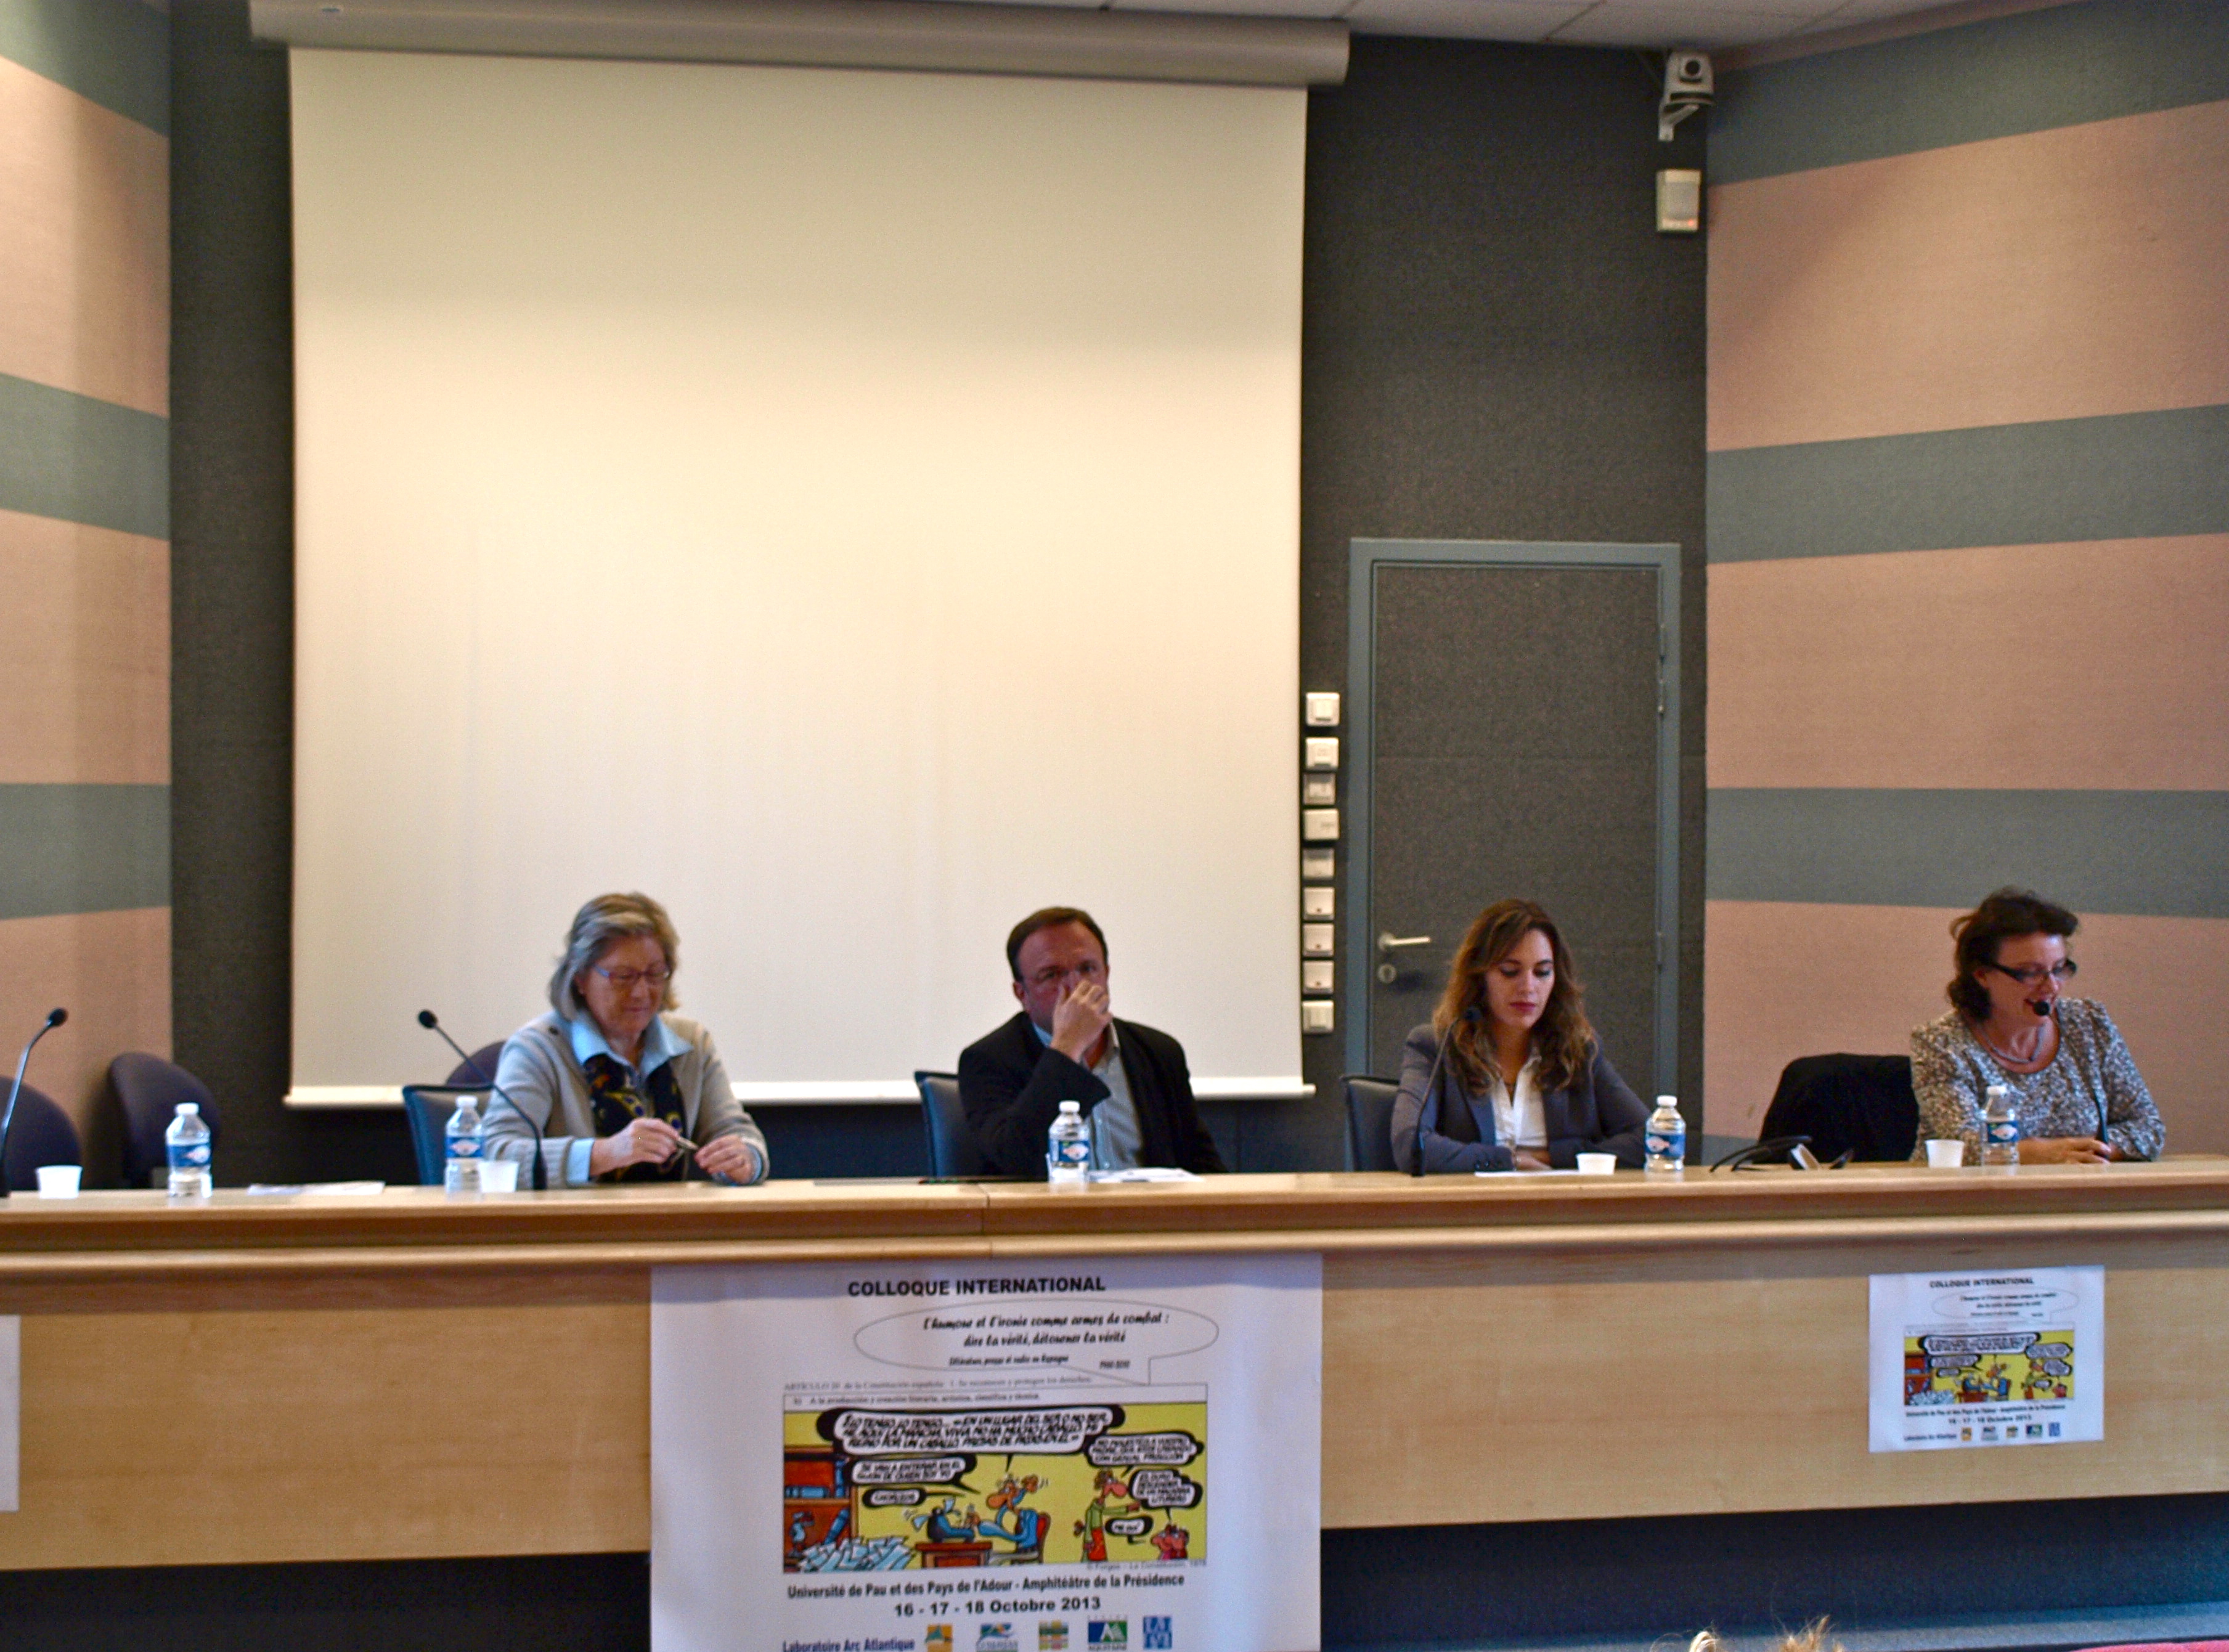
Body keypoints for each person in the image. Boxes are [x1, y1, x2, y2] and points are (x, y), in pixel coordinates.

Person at [484, 892, 768, 1186]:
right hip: (576, 1215)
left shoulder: (691, 1044)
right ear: (580, 978)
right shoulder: (538, 1049)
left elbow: (738, 1133)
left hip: (670, 1212)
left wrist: (747, 1158)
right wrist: (604, 1153)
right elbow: (498, 1155)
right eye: (623, 977)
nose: (641, 993)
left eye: (655, 974)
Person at [958, 906, 1226, 1179]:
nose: (1076, 987)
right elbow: (1015, 1159)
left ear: (1106, 975)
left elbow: (1203, 1166)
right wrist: (1066, 1049)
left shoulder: (1158, 1052)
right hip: (1050, 1206)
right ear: (1022, 994)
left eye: (1087, 969)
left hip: (1147, 1205)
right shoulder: (988, 1060)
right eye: (1051, 975)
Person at [1390, 898, 1647, 1173]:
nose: (1528, 987)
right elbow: (1411, 1145)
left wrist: (1552, 1158)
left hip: (1560, 1200)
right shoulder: (1435, 1047)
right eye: (1510, 972)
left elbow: (1651, 1140)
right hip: (1470, 1200)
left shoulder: (1580, 1050)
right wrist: (1510, 1161)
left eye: (1542, 972)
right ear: (1479, 976)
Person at [1909, 887, 2161, 1165]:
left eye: (2059, 969)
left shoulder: (2090, 1023)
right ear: (1982, 974)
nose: (2051, 987)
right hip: (1976, 1191)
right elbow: (1962, 1145)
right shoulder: (1941, 1043)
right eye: (2030, 973)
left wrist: (2089, 1153)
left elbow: (2148, 1127)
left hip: (2080, 1187)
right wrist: (2043, 1154)